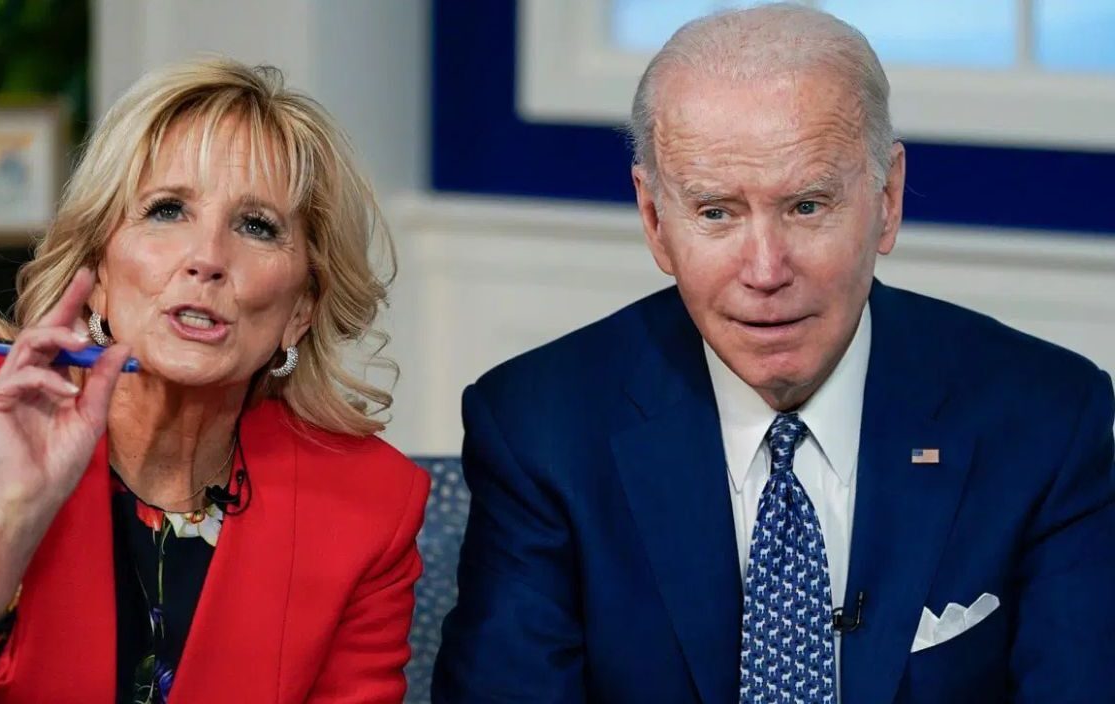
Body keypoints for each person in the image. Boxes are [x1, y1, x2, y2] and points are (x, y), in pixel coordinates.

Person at [432, 4, 1115, 703]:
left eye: (807, 207)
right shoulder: (542, 429)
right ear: (655, 220)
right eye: (716, 213)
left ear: (887, 199)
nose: (765, 271)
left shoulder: (1046, 422)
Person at [0, 57, 429, 703]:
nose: (207, 258)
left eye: (256, 226)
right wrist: (8, 522)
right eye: (166, 211)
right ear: (98, 270)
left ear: (301, 309)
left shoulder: (368, 506)